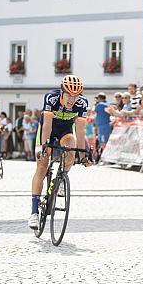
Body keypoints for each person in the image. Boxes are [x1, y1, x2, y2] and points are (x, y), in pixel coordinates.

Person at [28, 75, 90, 230]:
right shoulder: (51, 98)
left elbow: (81, 131)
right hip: (47, 130)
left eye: (75, 96)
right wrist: (43, 146)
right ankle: (34, 213)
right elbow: (47, 125)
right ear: (62, 92)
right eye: (69, 95)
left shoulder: (82, 103)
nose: (72, 100)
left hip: (65, 130)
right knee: (42, 166)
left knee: (72, 150)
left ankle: (61, 179)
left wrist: (82, 155)